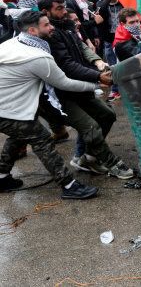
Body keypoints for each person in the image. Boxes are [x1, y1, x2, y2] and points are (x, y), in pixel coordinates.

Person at [0, 11, 99, 198]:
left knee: (19, 135)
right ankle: (69, 186)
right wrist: (95, 84)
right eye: (46, 25)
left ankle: (2, 176)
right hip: (7, 110)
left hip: (10, 107)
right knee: (41, 139)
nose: (52, 26)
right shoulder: (38, 57)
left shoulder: (13, 43)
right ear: (32, 30)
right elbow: (63, 83)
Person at [37, 0, 134, 179]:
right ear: (45, 12)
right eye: (59, 8)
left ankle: (88, 158)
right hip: (61, 93)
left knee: (107, 115)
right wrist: (98, 77)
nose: (64, 11)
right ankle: (111, 163)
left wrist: (97, 62)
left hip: (80, 86)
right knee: (91, 128)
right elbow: (66, 65)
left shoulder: (66, 26)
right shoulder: (49, 34)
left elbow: (81, 47)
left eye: (64, 7)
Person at [94, 0, 124, 101]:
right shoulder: (102, 5)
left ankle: (124, 88)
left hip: (122, 39)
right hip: (109, 40)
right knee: (112, 67)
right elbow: (100, 8)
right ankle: (115, 90)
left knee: (123, 63)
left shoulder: (122, 3)